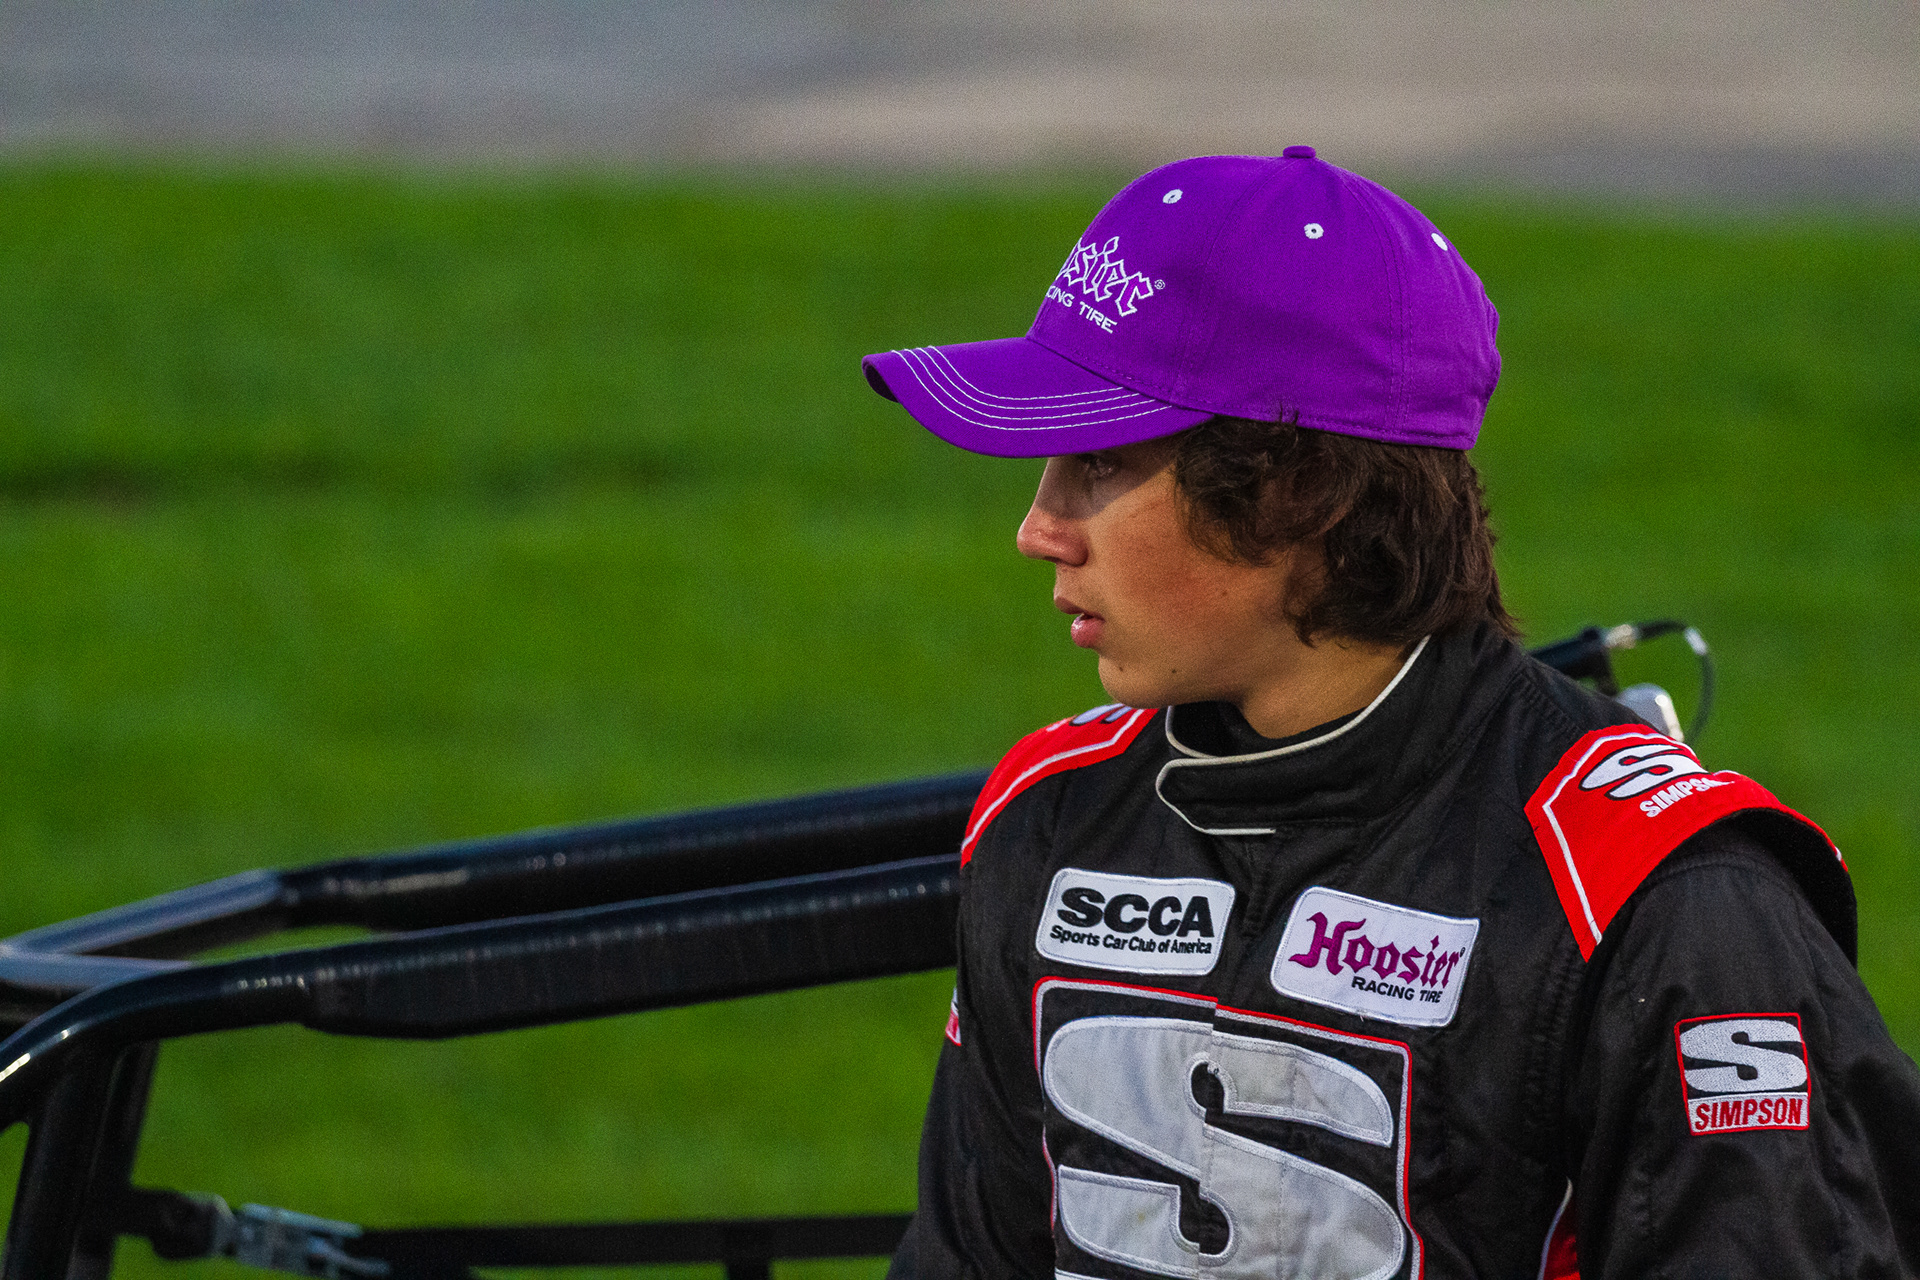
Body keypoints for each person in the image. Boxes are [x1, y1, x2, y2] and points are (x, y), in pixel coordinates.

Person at [859, 149, 1920, 1278]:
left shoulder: (1662, 901)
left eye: (1102, 461)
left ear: (1300, 492)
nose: (1039, 527)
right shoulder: (1049, 813)